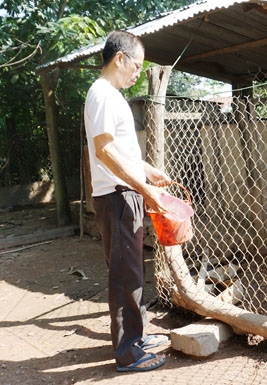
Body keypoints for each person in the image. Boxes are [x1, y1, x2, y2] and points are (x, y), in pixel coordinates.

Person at [84, 30, 170, 372]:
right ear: (120, 58)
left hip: (124, 193)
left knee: (131, 271)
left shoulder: (110, 95)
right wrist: (146, 191)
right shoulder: (103, 94)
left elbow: (118, 149)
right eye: (137, 66)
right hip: (118, 196)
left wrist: (148, 172)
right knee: (124, 276)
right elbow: (104, 151)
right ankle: (128, 352)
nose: (138, 73)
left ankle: (135, 336)